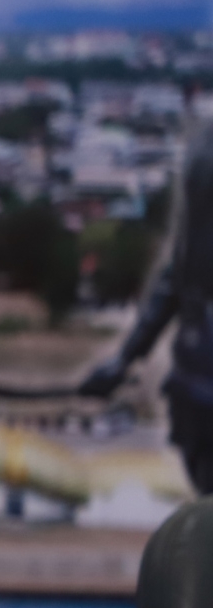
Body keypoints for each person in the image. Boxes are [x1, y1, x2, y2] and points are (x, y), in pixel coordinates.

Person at [77, 121, 213, 491]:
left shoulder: (204, 148)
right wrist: (125, 358)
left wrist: (127, 357)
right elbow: (179, 274)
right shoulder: (205, 150)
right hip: (198, 388)